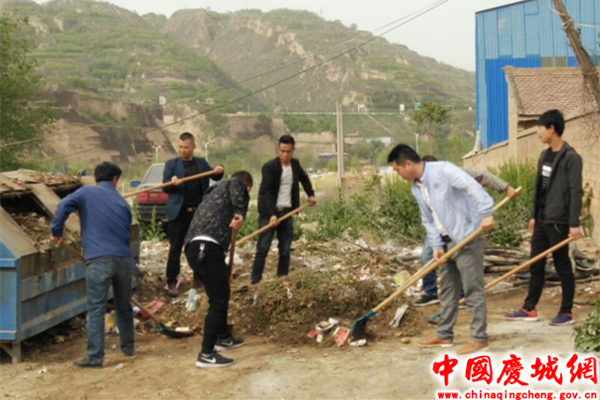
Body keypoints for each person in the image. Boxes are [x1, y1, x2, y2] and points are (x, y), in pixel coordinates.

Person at [388, 144, 495, 355]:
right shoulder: (416, 188)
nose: (398, 174)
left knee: (472, 289)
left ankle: (479, 338)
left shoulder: (443, 170)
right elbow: (427, 219)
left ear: (408, 164)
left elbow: (471, 186)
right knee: (448, 290)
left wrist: (486, 212)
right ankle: (444, 334)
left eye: (397, 170)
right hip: (446, 244)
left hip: (466, 238)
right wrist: (437, 245)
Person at [50, 162, 135, 369]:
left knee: (96, 309)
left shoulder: (86, 192)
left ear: (96, 179)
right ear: (115, 180)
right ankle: (128, 348)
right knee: (124, 306)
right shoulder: (122, 202)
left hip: (99, 260)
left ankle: (95, 357)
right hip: (124, 260)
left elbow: (63, 205)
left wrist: (56, 231)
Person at [505, 110, 583, 326]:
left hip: (559, 221)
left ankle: (566, 312)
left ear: (552, 129)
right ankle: (529, 308)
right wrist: (534, 216)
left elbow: (576, 192)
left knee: (562, 265)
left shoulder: (571, 158)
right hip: (542, 219)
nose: (537, 132)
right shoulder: (544, 156)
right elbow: (540, 189)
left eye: (540, 127)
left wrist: (574, 223)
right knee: (535, 263)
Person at [415, 155, 518, 307]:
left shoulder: (451, 172)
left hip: (459, 226)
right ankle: (430, 292)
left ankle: (462, 294)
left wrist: (505, 187)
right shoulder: (419, 183)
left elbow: (482, 176)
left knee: (462, 259)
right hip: (437, 228)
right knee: (427, 256)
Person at [184, 171, 253, 368]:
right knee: (218, 300)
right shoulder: (234, 184)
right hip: (206, 248)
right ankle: (206, 354)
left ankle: (223, 337)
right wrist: (240, 214)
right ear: (248, 188)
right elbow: (237, 188)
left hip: (196, 248)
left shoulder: (213, 193)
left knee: (221, 291)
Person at [163, 132, 224, 297]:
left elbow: (216, 176)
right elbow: (165, 187)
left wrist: (219, 169)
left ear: (193, 147)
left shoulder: (201, 163)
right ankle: (171, 281)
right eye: (180, 147)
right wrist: (172, 183)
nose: (183, 150)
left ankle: (198, 278)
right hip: (178, 213)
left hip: (197, 213)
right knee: (175, 248)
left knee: (199, 246)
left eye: (186, 147)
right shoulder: (171, 164)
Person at [250, 135, 317, 284]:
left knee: (285, 250)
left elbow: (304, 178)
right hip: (269, 214)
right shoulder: (269, 167)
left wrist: (311, 195)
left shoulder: (295, 164)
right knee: (262, 249)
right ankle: (255, 281)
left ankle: (281, 280)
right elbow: (266, 192)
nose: (285, 155)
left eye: (288, 151)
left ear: (293, 150)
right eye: (282, 151)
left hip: (287, 212)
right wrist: (272, 214)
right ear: (278, 149)